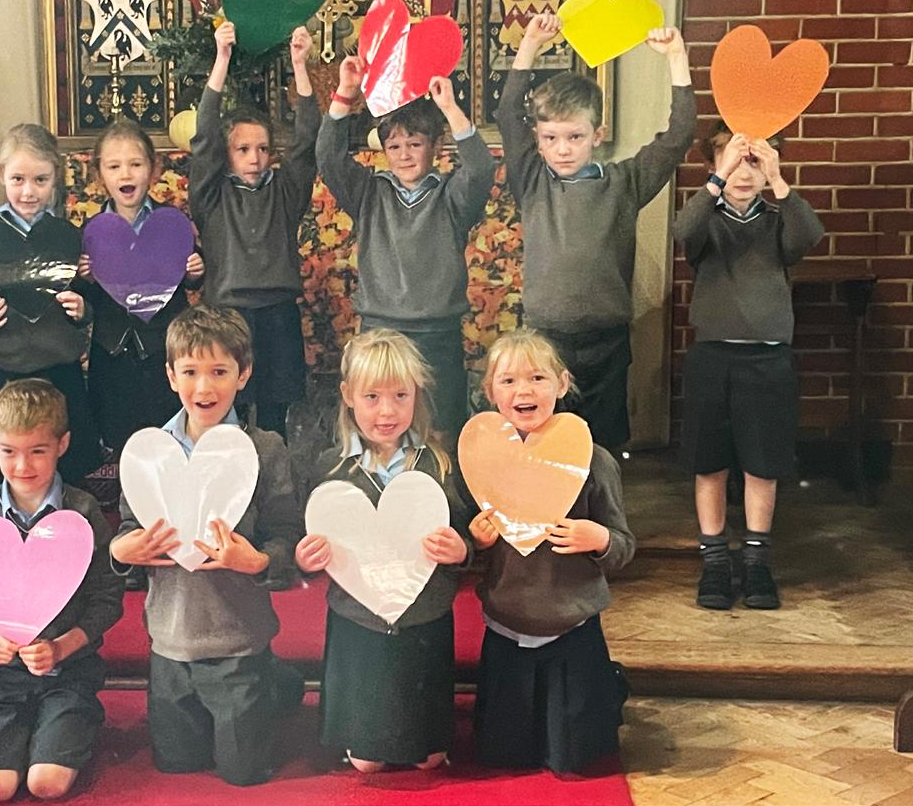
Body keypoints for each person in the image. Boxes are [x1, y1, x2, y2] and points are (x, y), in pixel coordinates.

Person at [109, 304, 303, 786]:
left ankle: (275, 683)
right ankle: (274, 683)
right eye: (191, 372)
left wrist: (258, 560)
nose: (204, 387)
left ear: (244, 374)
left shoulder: (265, 449)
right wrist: (122, 552)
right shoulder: (149, 452)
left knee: (244, 774)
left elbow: (287, 534)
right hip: (170, 640)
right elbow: (129, 527)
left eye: (219, 372)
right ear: (171, 375)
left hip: (239, 638)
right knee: (177, 763)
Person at [498, 13, 696, 449]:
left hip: (606, 341)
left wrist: (676, 58)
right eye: (550, 138)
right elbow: (508, 115)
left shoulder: (624, 183)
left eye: (575, 137)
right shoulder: (532, 181)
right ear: (538, 139)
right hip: (545, 341)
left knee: (601, 445)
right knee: (545, 443)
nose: (562, 149)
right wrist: (529, 44)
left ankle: (602, 496)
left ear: (598, 134)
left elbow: (679, 134)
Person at [295, 328, 471, 773]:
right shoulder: (331, 468)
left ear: (416, 395)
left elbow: (465, 535)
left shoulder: (439, 463)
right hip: (360, 620)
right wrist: (305, 560)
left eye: (400, 396)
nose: (387, 411)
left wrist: (461, 551)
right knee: (367, 763)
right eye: (372, 397)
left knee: (429, 759)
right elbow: (311, 536)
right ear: (348, 396)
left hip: (424, 617)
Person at [0, 379, 125, 801]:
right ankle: (25, 734)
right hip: (2, 676)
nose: (22, 466)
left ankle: (73, 721)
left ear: (63, 444)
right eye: (9, 451)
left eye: (37, 451)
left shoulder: (83, 512)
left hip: (69, 673)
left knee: (47, 783)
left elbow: (107, 599)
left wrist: (61, 647)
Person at [469, 328, 635, 774]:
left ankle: (606, 686)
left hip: (571, 625)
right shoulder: (481, 461)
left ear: (562, 384)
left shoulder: (594, 461)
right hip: (506, 625)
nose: (523, 390)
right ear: (490, 392)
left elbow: (623, 545)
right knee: (502, 755)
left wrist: (598, 539)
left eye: (537, 378)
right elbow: (465, 549)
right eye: (508, 381)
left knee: (576, 758)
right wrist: (476, 542)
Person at [675, 124, 825, 611]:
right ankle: (715, 560)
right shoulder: (707, 219)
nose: (744, 173)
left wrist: (778, 180)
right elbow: (683, 231)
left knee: (763, 464)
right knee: (710, 463)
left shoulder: (778, 220)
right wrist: (717, 179)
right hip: (713, 357)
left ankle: (757, 560)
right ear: (715, 165)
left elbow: (809, 236)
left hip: (767, 359)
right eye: (734, 161)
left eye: (754, 163)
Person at [316, 63, 497, 438]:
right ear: (383, 150)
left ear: (436, 147)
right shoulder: (369, 194)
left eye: (415, 144)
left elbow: (481, 169)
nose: (404, 155)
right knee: (381, 428)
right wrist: (346, 90)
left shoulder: (451, 198)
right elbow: (329, 158)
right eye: (394, 147)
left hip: (438, 333)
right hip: (380, 332)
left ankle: (442, 476)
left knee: (440, 430)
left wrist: (450, 108)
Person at [189, 21, 319, 439]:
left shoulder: (285, 192)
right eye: (243, 149)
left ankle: (274, 474)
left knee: (274, 420)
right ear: (226, 154)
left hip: (278, 315)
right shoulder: (211, 196)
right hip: (227, 316)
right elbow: (204, 136)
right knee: (228, 415)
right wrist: (221, 59)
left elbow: (308, 142)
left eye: (263, 149)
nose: (255, 158)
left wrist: (300, 66)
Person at [0, 123, 98, 486]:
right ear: (1, 174)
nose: (29, 191)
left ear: (55, 178)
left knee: (69, 455)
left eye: (40, 180)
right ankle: (2, 517)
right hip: (1, 368)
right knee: (1, 458)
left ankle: (71, 516)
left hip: (60, 367)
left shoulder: (68, 238)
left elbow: (90, 302)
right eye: (17, 179)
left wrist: (83, 310)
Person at [82, 119, 205, 457]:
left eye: (135, 164)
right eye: (114, 166)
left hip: (163, 347)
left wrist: (195, 271)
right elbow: (84, 298)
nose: (126, 174)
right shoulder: (91, 230)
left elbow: (191, 271)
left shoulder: (172, 222)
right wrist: (85, 279)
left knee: (167, 432)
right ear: (99, 174)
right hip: (111, 351)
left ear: (153, 169)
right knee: (119, 435)